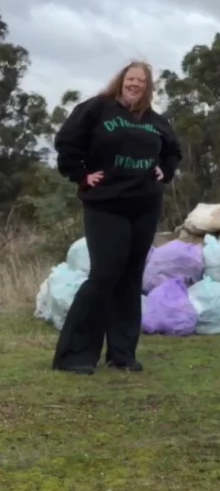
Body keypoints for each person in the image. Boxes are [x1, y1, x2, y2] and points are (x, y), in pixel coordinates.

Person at [52, 61, 182, 375]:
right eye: (131, 78)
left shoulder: (155, 120)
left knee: (130, 276)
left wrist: (164, 170)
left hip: (145, 205)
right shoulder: (97, 109)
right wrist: (80, 174)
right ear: (121, 81)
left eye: (141, 81)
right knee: (105, 274)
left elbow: (173, 151)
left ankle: (122, 354)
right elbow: (67, 142)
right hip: (105, 204)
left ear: (148, 87)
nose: (135, 84)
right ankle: (75, 355)